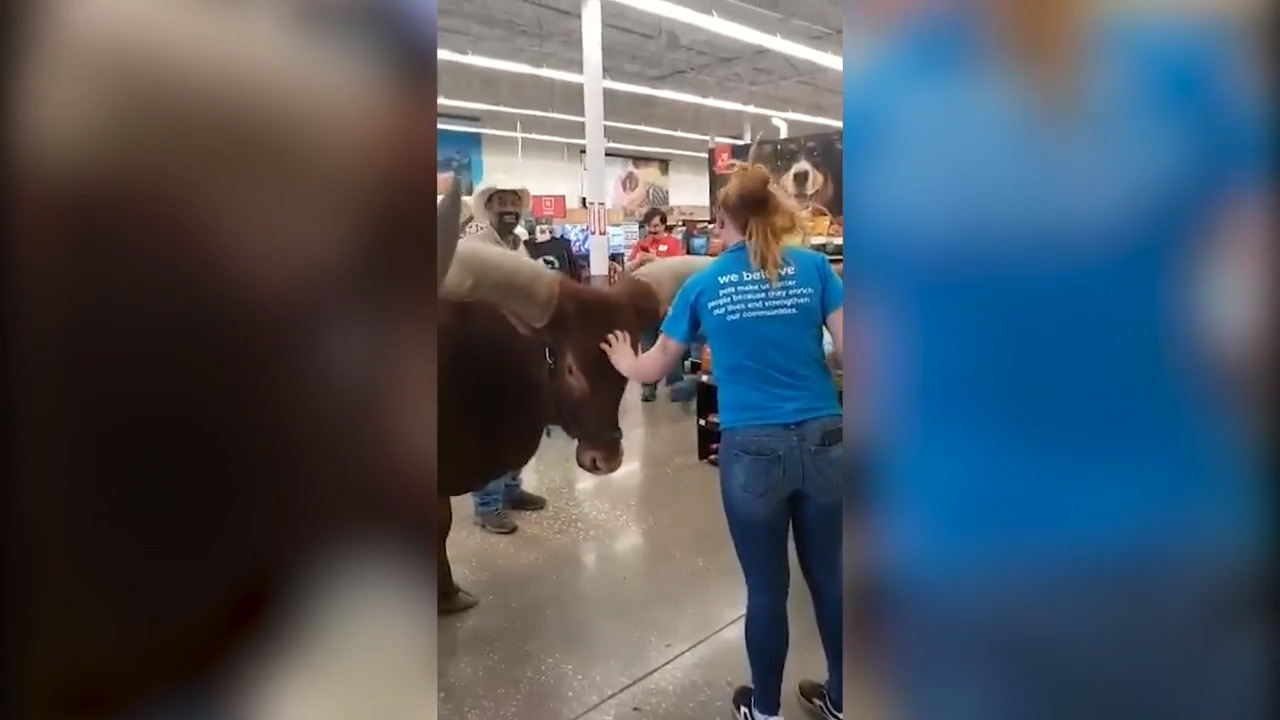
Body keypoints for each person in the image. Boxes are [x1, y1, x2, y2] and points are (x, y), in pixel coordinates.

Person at [845, 2, 1271, 719]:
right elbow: (1250, 327)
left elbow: (875, 373)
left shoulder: (886, 111)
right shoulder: (1183, 78)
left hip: (965, 554)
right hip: (1176, 536)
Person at [601, 164, 845, 720]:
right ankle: (843, 696)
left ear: (722, 222)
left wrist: (622, 359)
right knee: (831, 578)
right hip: (825, 436)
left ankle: (764, 710)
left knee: (766, 590)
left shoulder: (703, 283)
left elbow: (653, 367)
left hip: (751, 448)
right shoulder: (814, 268)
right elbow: (850, 354)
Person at [461, 178, 549, 533]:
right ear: (488, 206)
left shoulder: (518, 245)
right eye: (501, 203)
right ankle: (487, 505)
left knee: (520, 424)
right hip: (486, 352)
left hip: (521, 349)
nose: (510, 209)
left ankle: (511, 490)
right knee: (493, 430)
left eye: (514, 203)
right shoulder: (474, 245)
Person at [626, 207, 694, 402]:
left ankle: (676, 386)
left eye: (656, 225)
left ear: (664, 225)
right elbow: (627, 269)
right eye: (649, 226)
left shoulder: (674, 244)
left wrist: (655, 260)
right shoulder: (641, 245)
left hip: (671, 303)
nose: (652, 229)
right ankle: (648, 387)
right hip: (646, 305)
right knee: (647, 346)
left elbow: (679, 266)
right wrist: (638, 261)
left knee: (672, 344)